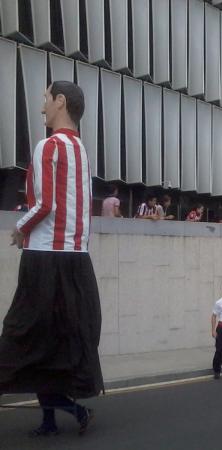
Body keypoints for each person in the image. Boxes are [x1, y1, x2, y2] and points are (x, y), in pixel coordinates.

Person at [0, 81, 102, 436]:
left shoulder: (49, 145)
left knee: (22, 335)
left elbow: (44, 204)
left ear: (60, 101)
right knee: (59, 342)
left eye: (45, 98)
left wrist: (19, 229)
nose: (42, 106)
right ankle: (56, 416)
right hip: (76, 260)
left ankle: (57, 414)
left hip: (45, 258)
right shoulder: (81, 150)